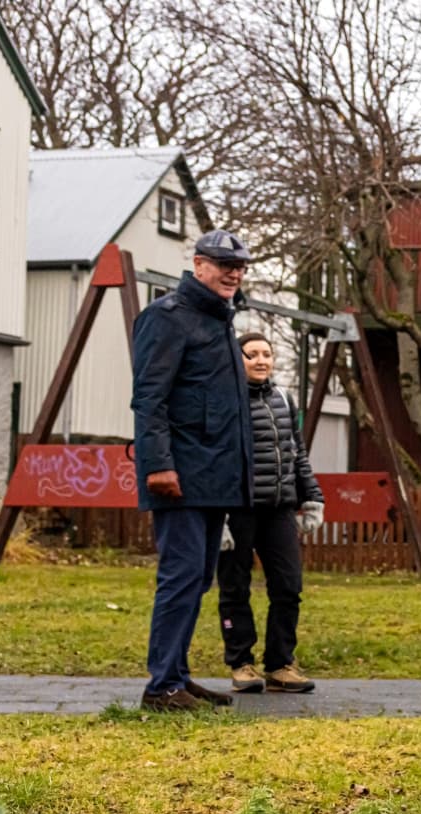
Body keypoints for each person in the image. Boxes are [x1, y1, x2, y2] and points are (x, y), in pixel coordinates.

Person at [129, 230, 256, 711]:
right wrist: (158, 465)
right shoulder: (167, 318)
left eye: (240, 266)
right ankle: (161, 687)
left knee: (199, 577)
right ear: (199, 264)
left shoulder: (219, 321)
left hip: (216, 477)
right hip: (180, 475)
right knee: (180, 577)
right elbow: (149, 398)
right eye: (224, 263)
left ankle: (177, 676)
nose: (233, 273)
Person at [216, 332, 324, 693]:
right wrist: (217, 516)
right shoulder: (225, 400)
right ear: (237, 358)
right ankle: (241, 664)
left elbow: (298, 453)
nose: (261, 360)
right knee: (235, 587)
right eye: (252, 355)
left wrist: (312, 497)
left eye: (267, 354)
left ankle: (280, 664)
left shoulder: (283, 398)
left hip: (279, 508)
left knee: (288, 586)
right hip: (237, 508)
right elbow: (216, 456)